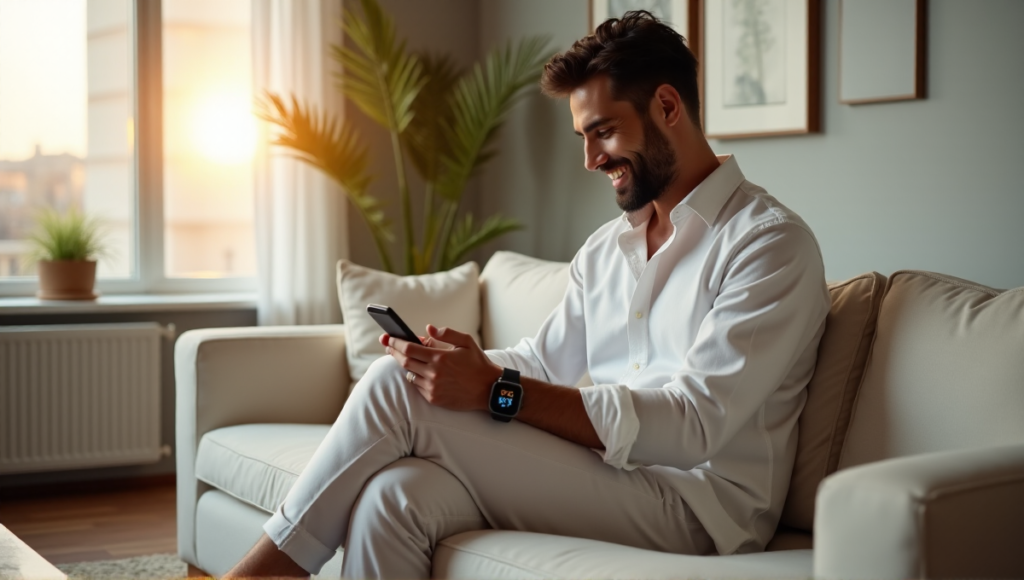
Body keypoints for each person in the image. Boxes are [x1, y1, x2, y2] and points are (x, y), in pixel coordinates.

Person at [224, 10, 830, 579]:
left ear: (667, 106)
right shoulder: (606, 250)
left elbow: (696, 424)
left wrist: (495, 389)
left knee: (390, 390)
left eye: (604, 132)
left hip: (701, 510)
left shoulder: (767, 246)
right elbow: (545, 365)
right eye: (582, 136)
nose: (591, 158)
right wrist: (471, 365)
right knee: (395, 495)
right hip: (614, 476)